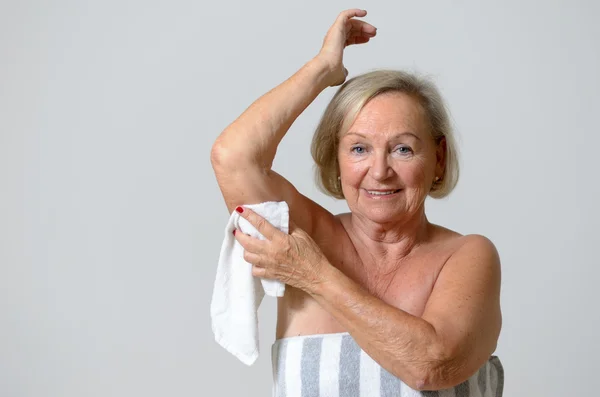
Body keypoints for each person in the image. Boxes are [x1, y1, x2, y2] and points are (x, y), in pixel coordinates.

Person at [210, 8, 503, 395]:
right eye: (359, 148)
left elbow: (431, 366)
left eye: (402, 148)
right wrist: (323, 68)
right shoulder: (308, 234)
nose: (379, 171)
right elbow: (233, 157)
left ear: (439, 159)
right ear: (336, 159)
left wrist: (314, 275)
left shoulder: (468, 256)